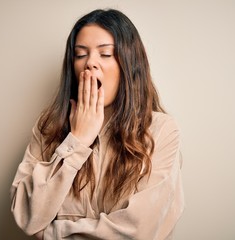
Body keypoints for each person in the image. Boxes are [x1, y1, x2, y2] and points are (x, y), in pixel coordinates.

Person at [10, 9, 184, 240]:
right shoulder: (48, 129)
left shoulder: (161, 131)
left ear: (129, 65)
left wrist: (50, 234)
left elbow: (139, 231)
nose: (90, 63)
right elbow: (27, 216)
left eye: (105, 54)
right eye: (81, 55)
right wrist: (77, 141)